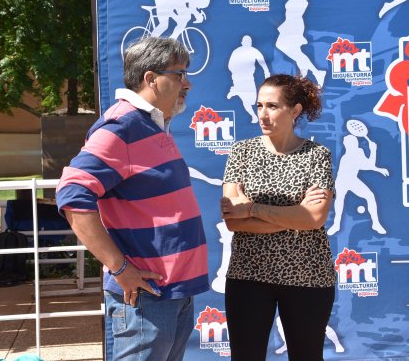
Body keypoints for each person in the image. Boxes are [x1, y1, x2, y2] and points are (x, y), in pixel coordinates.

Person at [56, 37, 209, 361]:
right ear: (151, 79)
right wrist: (119, 267)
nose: (187, 84)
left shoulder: (151, 125)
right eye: (179, 74)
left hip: (171, 293)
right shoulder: (122, 126)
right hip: (146, 298)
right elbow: (72, 193)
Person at [220, 74, 335, 361]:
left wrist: (253, 209)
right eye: (259, 106)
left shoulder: (317, 155)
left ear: (295, 110)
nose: (263, 114)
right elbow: (233, 220)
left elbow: (314, 219)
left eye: (272, 106)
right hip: (248, 275)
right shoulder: (241, 153)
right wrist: (294, 215)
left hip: (308, 276)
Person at [275, 0, 337, 87]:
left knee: (286, 47)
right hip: (289, 25)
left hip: (295, 25)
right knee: (292, 50)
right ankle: (307, 72)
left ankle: (314, 72)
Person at [226, 35, 270, 123]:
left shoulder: (253, 51)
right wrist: (236, 72)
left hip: (249, 78)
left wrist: (266, 72)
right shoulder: (237, 51)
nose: (247, 43)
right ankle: (254, 116)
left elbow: (262, 62)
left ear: (251, 43)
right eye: (245, 42)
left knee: (252, 100)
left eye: (248, 42)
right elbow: (230, 65)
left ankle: (236, 90)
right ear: (242, 42)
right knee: (246, 100)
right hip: (238, 77)